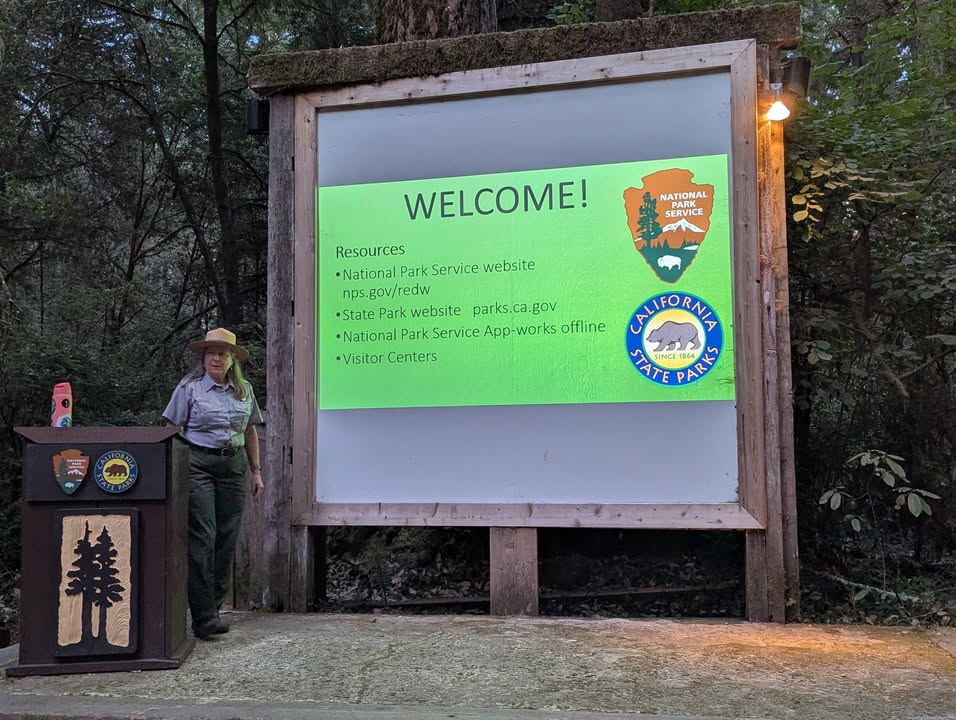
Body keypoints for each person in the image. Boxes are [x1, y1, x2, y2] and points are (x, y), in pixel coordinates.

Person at [162, 328, 264, 640]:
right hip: (198, 464)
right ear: (203, 358)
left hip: (232, 465)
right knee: (203, 536)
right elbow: (170, 427)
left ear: (232, 359)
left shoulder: (244, 390)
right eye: (211, 353)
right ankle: (204, 616)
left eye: (222, 353)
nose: (216, 358)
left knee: (226, 538)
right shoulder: (189, 388)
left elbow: (249, 431)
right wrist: (173, 468)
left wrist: (255, 471)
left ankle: (213, 609)